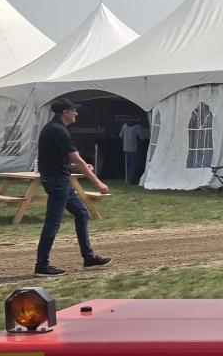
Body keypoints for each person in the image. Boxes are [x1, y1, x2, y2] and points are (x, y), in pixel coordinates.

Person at [35, 99, 110, 276]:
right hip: (58, 182)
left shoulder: (52, 128)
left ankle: (88, 257)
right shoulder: (59, 131)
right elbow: (77, 159)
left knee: (81, 212)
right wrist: (98, 183)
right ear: (66, 112)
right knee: (52, 224)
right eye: (74, 111)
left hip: (59, 179)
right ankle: (41, 265)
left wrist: (78, 169)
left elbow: (59, 161)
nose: (77, 114)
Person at [119, 118, 147, 184]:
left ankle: (129, 178)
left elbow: (120, 135)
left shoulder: (125, 125)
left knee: (129, 164)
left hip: (126, 147)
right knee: (134, 164)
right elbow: (142, 138)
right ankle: (132, 179)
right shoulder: (138, 126)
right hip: (135, 148)